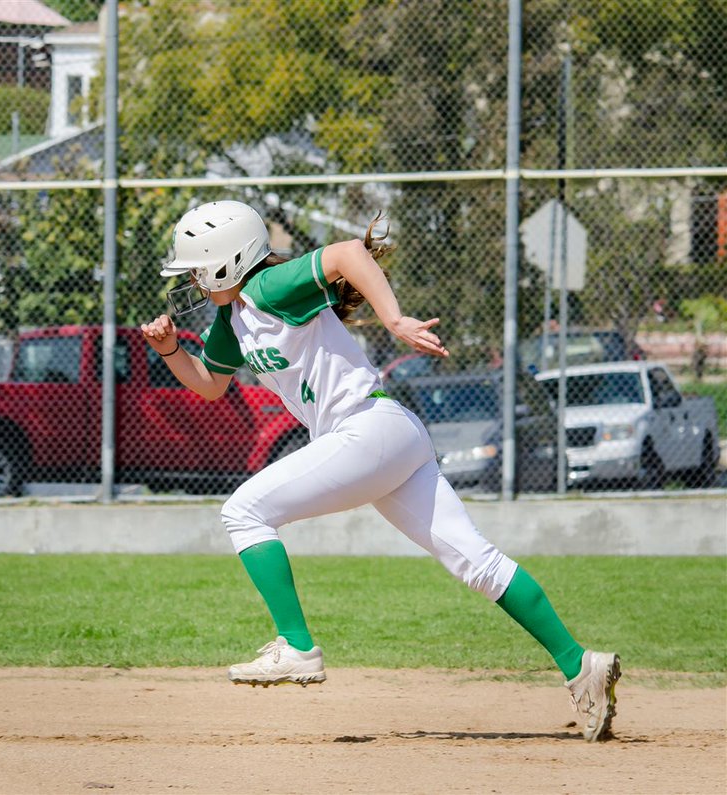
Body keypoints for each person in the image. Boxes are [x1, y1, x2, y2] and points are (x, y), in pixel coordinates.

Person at [140, 200, 620, 742]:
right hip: (386, 436)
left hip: (366, 428)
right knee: (476, 564)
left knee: (243, 512)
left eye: (200, 269)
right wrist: (171, 350)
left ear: (231, 261)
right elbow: (209, 385)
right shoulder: (232, 320)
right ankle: (583, 666)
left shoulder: (268, 288)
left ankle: (297, 647)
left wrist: (393, 320)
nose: (195, 282)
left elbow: (347, 253)